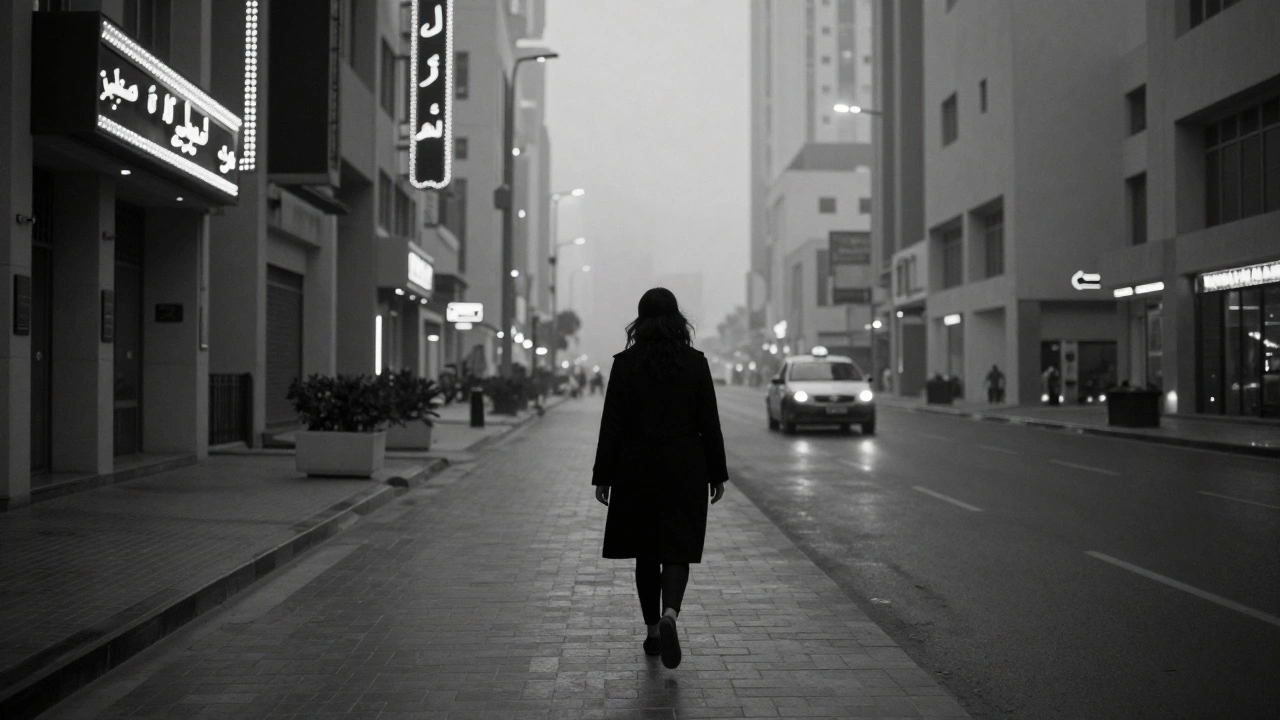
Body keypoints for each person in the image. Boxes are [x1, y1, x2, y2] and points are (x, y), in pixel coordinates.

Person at [592, 287, 728, 670]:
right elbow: (709, 424)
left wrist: (604, 475)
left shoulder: (625, 363)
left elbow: (612, 426)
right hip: (685, 466)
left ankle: (653, 631)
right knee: (677, 547)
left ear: (640, 321)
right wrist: (716, 473)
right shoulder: (694, 363)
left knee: (646, 552)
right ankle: (671, 613)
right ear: (678, 320)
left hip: (636, 468)